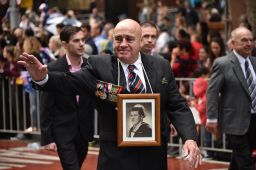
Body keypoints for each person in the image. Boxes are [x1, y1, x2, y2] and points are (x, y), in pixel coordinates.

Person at [18, 19, 201, 170]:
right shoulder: (100, 65)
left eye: (129, 39)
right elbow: (70, 81)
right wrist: (43, 77)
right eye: (118, 39)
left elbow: (177, 106)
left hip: (153, 156)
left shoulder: (160, 66)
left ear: (140, 41)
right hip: (115, 156)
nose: (122, 44)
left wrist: (190, 139)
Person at [40, 26, 95, 170]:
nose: (82, 44)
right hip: (63, 131)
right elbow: (46, 105)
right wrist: (47, 137)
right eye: (76, 41)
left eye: (83, 40)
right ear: (65, 45)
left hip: (84, 131)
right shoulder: (53, 68)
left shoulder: (92, 66)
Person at [206, 26, 256, 170]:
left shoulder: (254, 62)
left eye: (251, 40)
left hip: (254, 119)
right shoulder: (223, 64)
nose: (248, 44)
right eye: (244, 40)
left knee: (239, 159)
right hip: (234, 122)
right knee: (246, 161)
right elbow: (212, 92)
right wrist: (212, 118)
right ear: (233, 43)